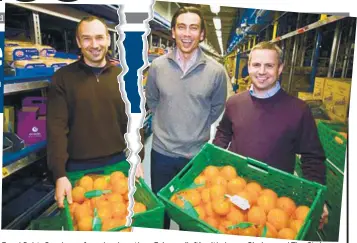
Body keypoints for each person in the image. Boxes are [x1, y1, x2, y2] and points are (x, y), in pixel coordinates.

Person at [212, 41, 328, 229]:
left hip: (275, 200)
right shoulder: (234, 103)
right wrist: (212, 169)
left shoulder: (298, 110)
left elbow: (312, 157)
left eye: (269, 65)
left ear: (280, 68)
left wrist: (317, 198)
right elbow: (223, 134)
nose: (262, 71)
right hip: (236, 189)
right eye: (256, 65)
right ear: (248, 66)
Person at [47, 16, 144, 208]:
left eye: (99, 38)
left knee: (117, 220)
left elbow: (134, 121)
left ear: (108, 39)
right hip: (78, 168)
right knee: (84, 222)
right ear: (78, 42)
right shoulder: (62, 79)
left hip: (118, 164)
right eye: (87, 38)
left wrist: (137, 157)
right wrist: (59, 174)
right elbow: (56, 129)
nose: (94, 45)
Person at [145, 6, 228, 229]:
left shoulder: (216, 71)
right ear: (173, 32)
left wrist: (195, 125)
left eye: (194, 28)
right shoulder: (157, 67)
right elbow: (152, 101)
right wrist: (167, 120)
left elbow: (217, 107)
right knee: (161, 208)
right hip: (162, 152)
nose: (187, 33)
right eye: (181, 27)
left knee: (190, 214)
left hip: (195, 155)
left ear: (202, 34)